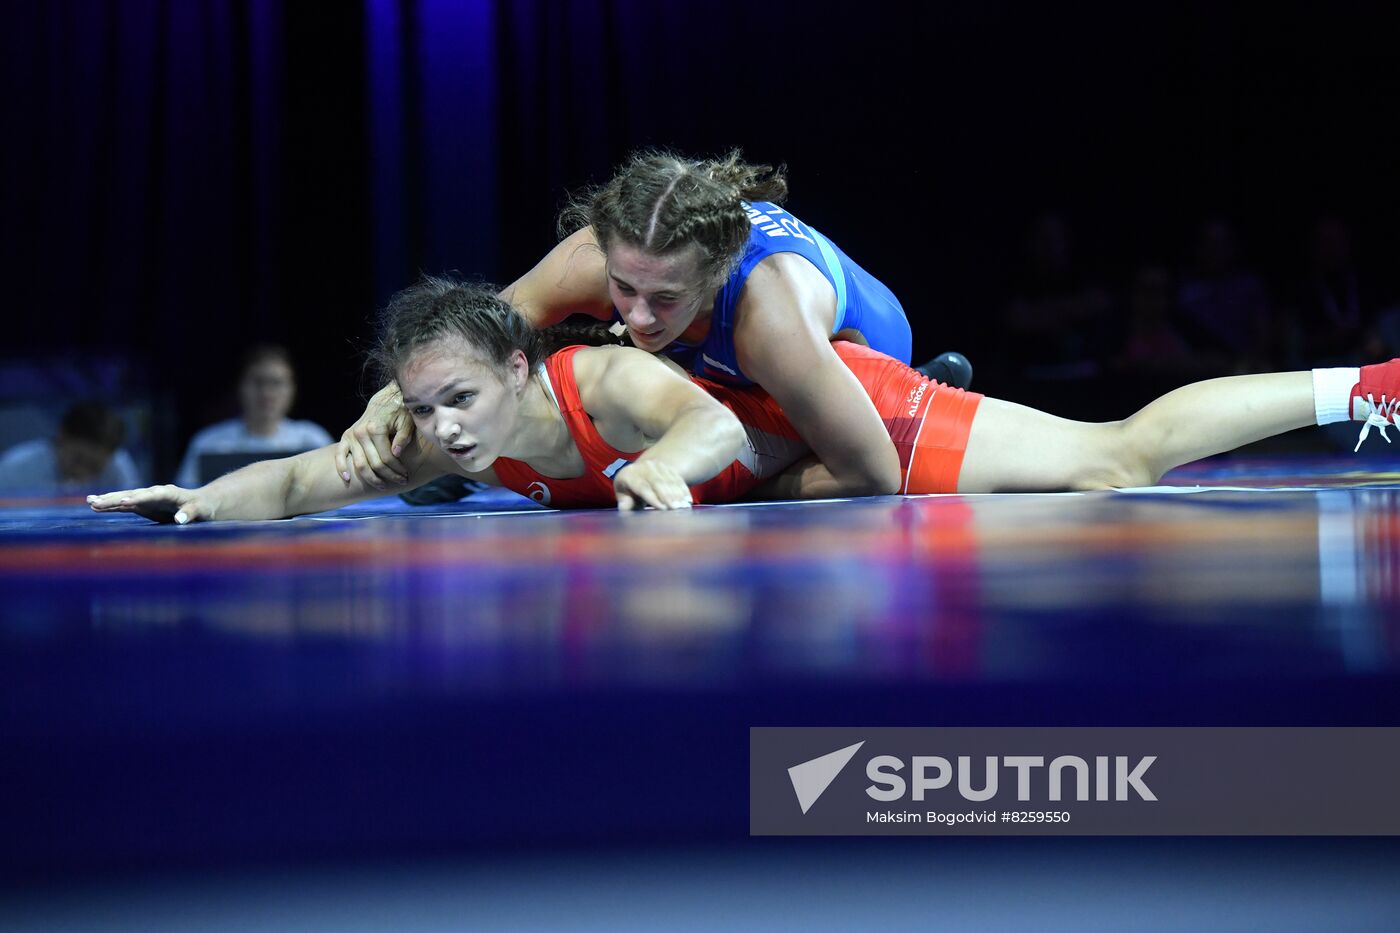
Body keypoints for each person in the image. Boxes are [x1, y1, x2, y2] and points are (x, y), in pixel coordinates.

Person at [90, 276, 1400, 523]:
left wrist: (664, 468)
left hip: (841, 419)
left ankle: (1367, 385)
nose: (442, 432)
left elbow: (707, 421)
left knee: (1114, 461)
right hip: (792, 479)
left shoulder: (592, 374)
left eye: (456, 401)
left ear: (515, 364)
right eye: (416, 407)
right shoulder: (433, 429)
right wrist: (199, 502)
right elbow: (303, 477)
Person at [336, 150, 970, 501]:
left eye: (665, 296)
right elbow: (472, 341)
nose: (638, 314)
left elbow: (874, 475)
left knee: (686, 412)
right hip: (712, 353)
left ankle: (914, 385)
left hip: (839, 354)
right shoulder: (604, 253)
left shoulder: (767, 318)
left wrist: (715, 481)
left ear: (715, 273)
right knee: (586, 363)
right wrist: (388, 400)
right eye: (623, 287)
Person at [174, 345, 334, 487]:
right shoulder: (208, 443)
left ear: (292, 389)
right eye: (258, 382)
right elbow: (187, 495)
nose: (267, 393)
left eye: (276, 383)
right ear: (241, 386)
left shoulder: (314, 440)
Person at [0, 400, 140, 494]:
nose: (82, 472)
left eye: (94, 467)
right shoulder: (14, 468)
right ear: (62, 437)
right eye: (78, 459)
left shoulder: (119, 466)